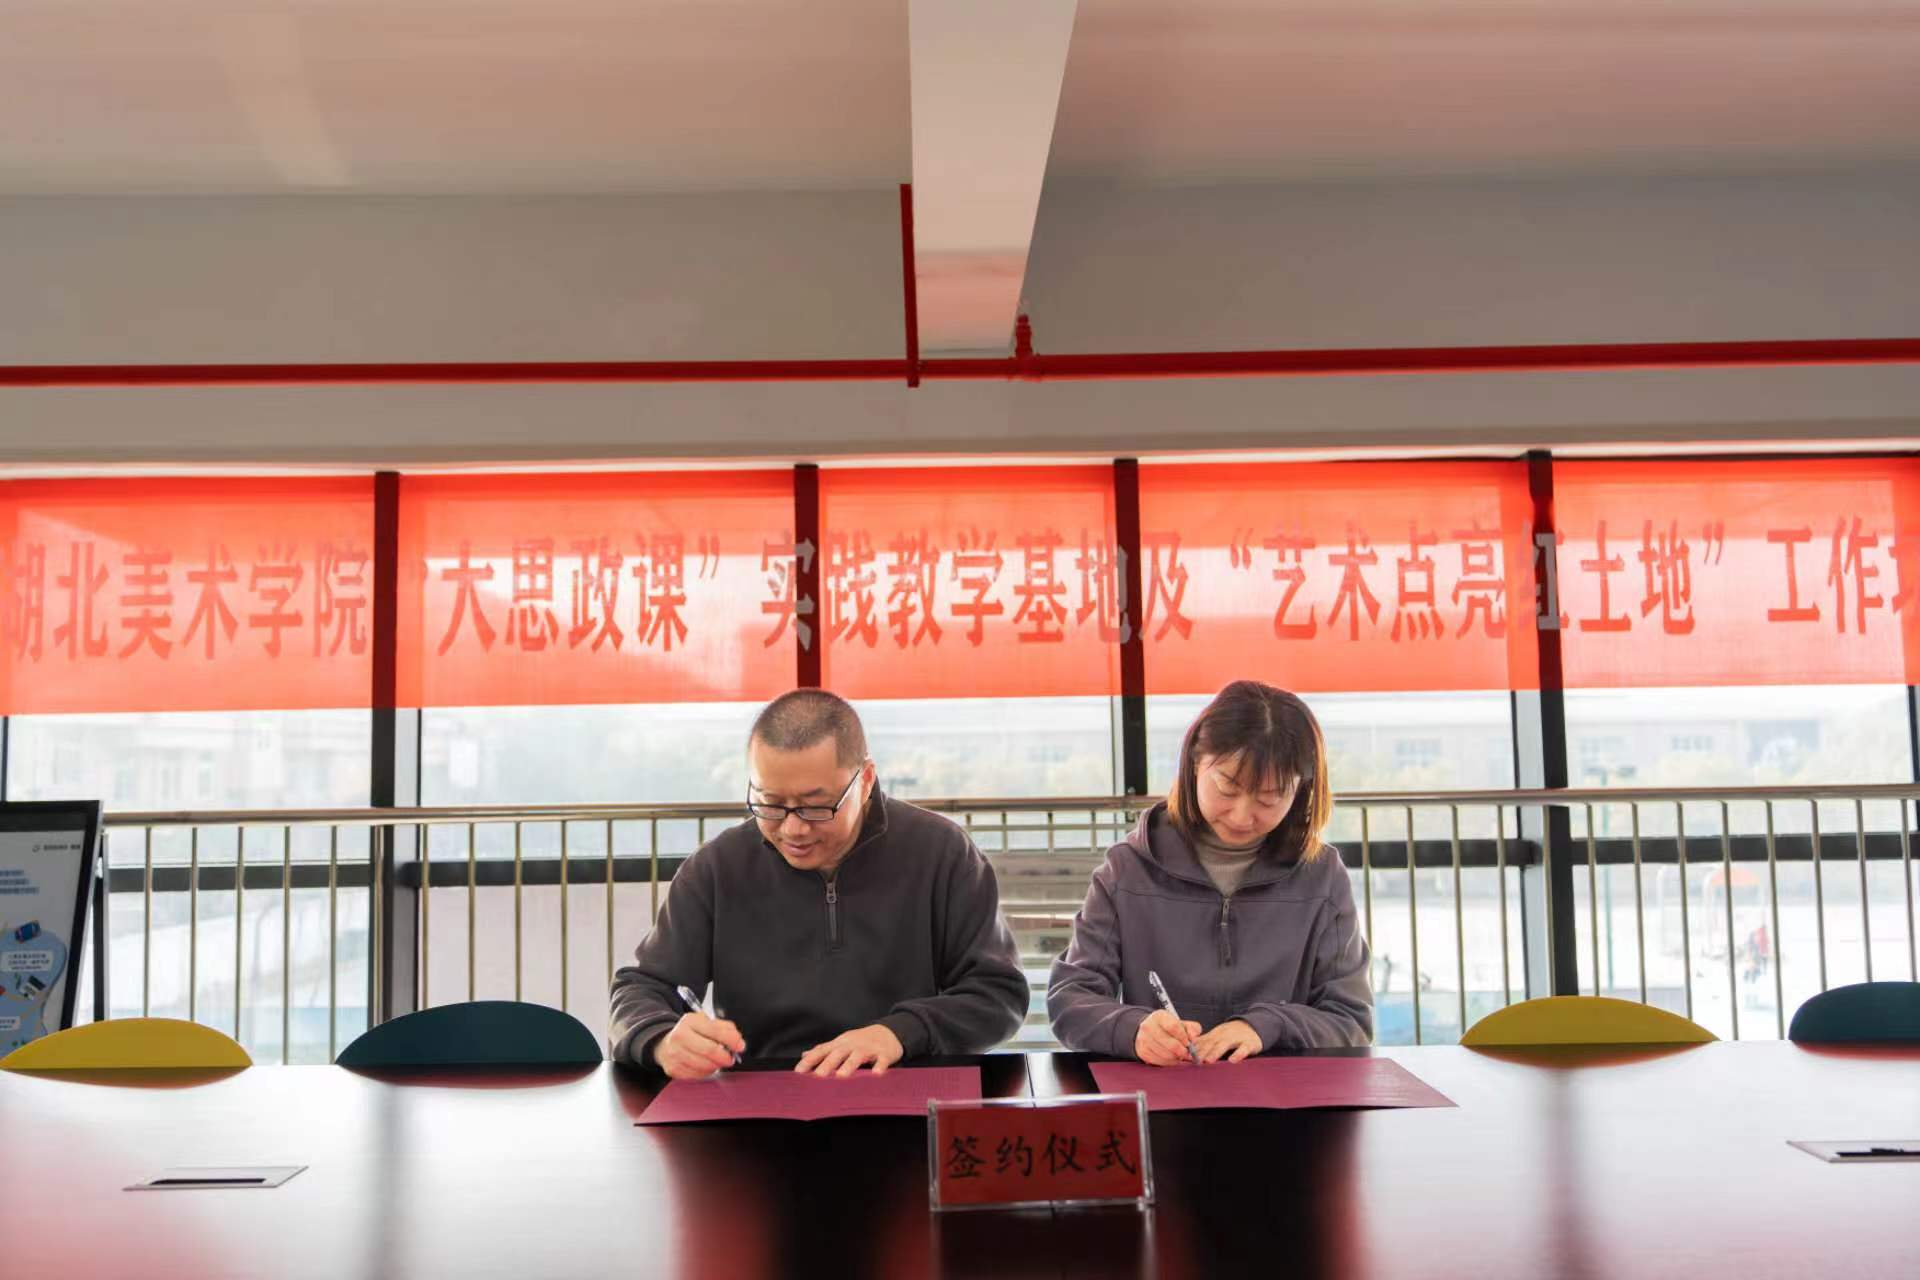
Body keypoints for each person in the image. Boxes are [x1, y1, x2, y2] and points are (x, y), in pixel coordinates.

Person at [610, 689, 1029, 1079]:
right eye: (770, 803)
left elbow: (997, 994)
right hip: (762, 1096)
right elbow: (640, 988)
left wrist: (901, 1032)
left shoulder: (942, 853)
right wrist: (660, 1037)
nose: (793, 829)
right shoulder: (717, 868)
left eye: (815, 807)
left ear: (865, 780)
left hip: (906, 1085)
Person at [1048, 680, 1372, 1063]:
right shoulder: (1127, 870)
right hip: (1165, 1089)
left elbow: (1351, 1021)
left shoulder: (1323, 877)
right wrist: (1133, 1030)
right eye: (1227, 788)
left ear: (1302, 790)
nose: (1242, 816)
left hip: (1281, 1095)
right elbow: (1071, 999)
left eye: (1270, 798)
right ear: (1194, 764)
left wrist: (1266, 1027)